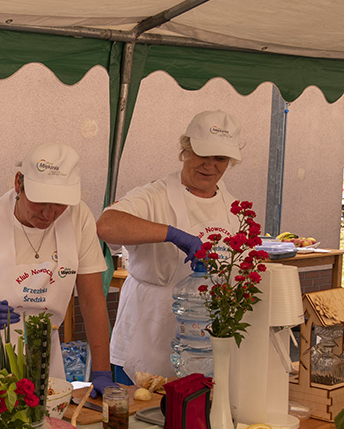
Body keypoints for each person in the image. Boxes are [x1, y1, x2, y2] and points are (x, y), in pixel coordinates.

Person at [0, 142, 118, 398]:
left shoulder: (79, 219)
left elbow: (92, 300)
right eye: (40, 201)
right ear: (18, 184)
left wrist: (102, 371)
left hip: (42, 362)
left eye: (60, 204)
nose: (49, 213)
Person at [96, 110, 244, 384]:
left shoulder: (235, 209)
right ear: (185, 150)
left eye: (220, 158)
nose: (210, 165)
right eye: (202, 154)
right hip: (147, 337)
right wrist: (171, 234)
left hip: (204, 344)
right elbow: (107, 225)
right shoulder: (154, 195)